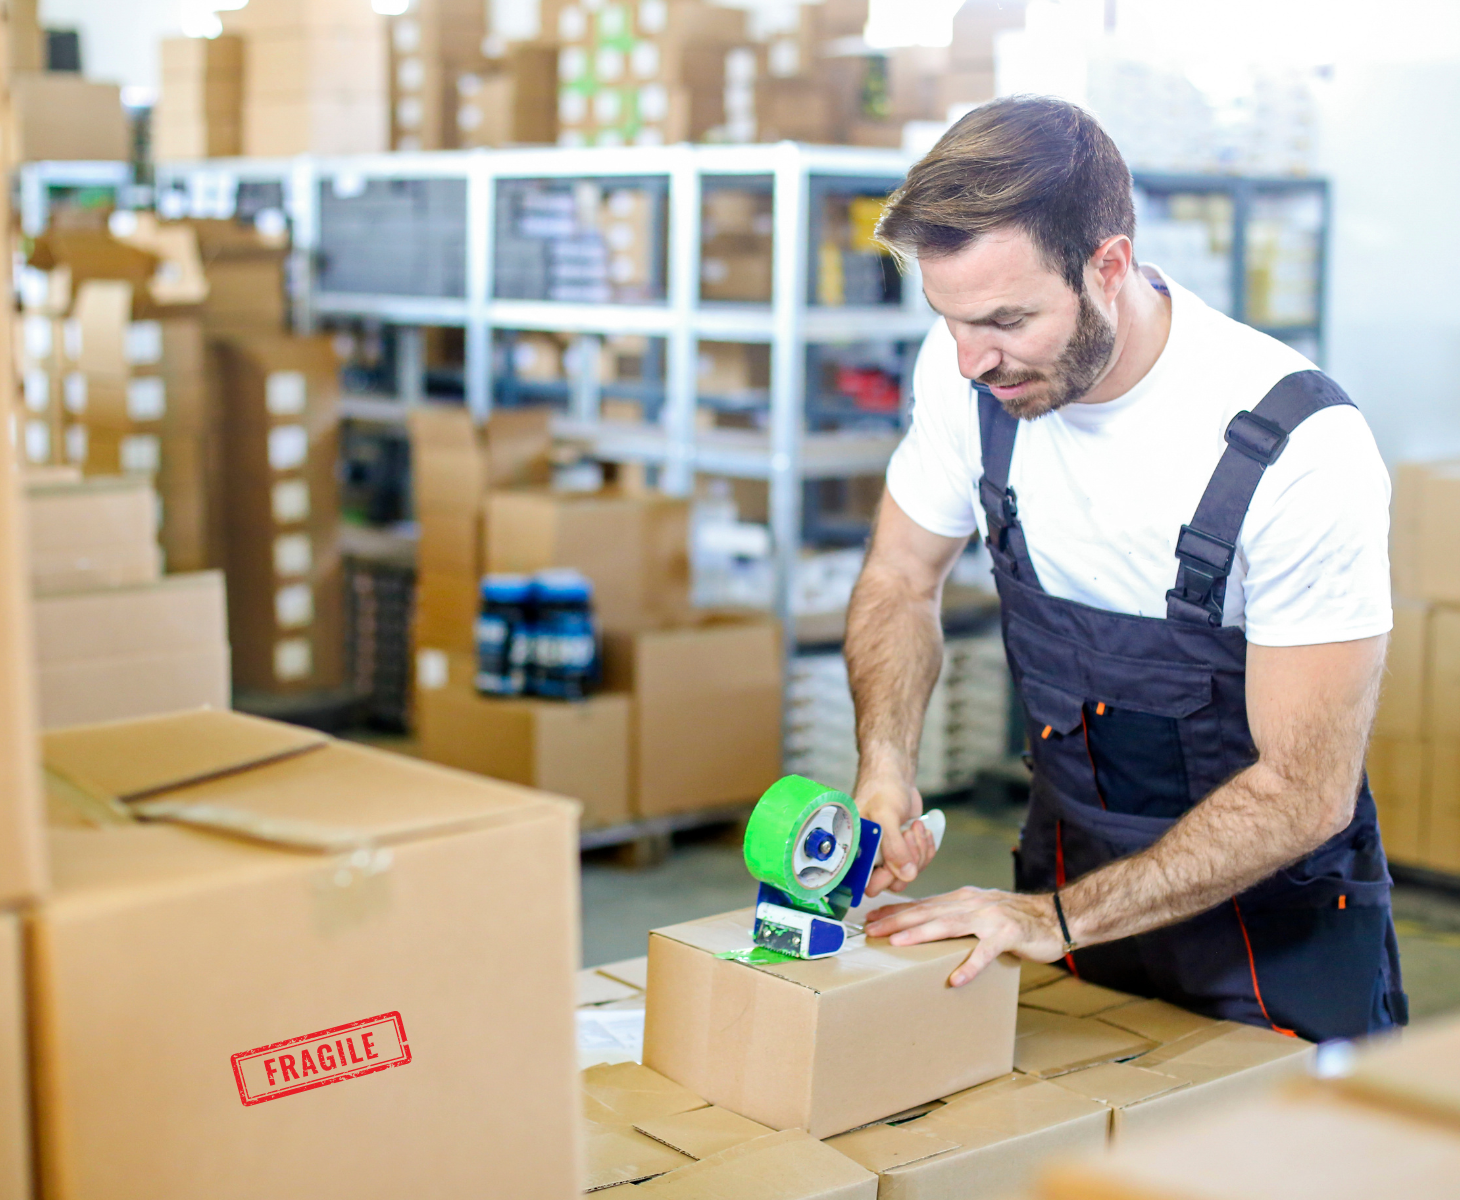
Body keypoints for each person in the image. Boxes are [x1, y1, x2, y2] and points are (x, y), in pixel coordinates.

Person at [844, 95, 1406, 1043]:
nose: (972, 359)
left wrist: (1052, 920)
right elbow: (901, 576)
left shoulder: (1299, 447)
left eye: (1008, 320)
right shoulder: (967, 377)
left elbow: (1308, 790)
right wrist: (885, 760)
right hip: (1065, 897)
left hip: (1272, 945)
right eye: (949, 320)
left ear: (1109, 265)